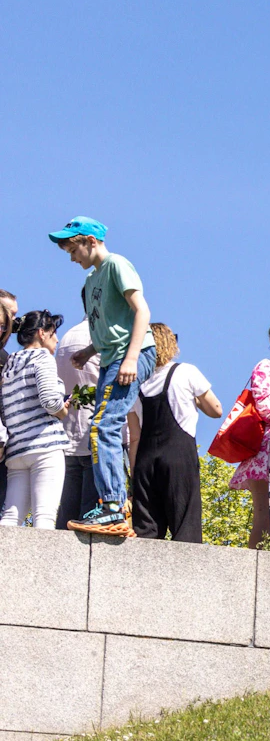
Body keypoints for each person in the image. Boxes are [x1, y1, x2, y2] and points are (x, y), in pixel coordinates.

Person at [53, 216, 153, 539]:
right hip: (111, 357)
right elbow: (112, 328)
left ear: (90, 241)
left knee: (103, 426)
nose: (70, 256)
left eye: (72, 248)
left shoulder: (116, 265)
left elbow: (142, 312)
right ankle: (110, 504)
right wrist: (89, 351)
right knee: (101, 425)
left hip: (131, 355)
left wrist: (133, 357)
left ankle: (112, 505)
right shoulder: (91, 282)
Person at [128, 323, 221, 542]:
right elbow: (216, 410)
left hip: (145, 461)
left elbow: (134, 436)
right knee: (185, 526)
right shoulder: (186, 371)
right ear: (172, 345)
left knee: (146, 532)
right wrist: (194, 399)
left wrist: (135, 476)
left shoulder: (135, 383)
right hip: (178, 457)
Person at [223, 317, 270, 549]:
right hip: (267, 449)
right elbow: (266, 406)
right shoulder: (265, 367)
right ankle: (250, 573)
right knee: (263, 516)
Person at [2, 310, 68, 530]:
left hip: (17, 450)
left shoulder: (10, 362)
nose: (57, 339)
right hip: (45, 446)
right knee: (44, 517)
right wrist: (63, 410)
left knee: (10, 518)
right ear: (42, 333)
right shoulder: (43, 358)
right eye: (53, 333)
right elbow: (50, 402)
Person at [53, 319, 99, 530]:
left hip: (67, 432)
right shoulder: (102, 335)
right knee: (91, 517)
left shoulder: (66, 338)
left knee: (66, 514)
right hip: (95, 436)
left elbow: (68, 388)